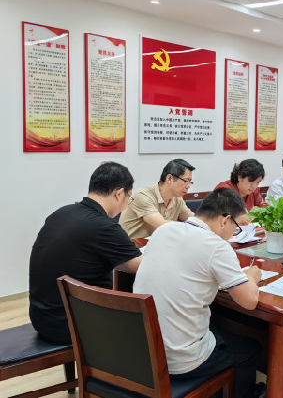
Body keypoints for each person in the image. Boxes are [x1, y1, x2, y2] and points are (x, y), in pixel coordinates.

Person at [133, 188, 264, 398]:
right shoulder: (217, 246)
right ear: (225, 220)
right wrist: (251, 276)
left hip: (143, 350)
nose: (234, 234)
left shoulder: (163, 231)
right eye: (237, 227)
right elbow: (249, 301)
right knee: (250, 349)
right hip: (181, 361)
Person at [29, 162, 143, 344]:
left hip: (41, 317)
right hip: (71, 324)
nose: (126, 204)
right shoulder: (104, 226)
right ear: (119, 193)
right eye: (129, 197)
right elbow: (139, 266)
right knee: (145, 324)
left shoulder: (61, 212)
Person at [119, 159, 195, 239]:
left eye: (190, 182)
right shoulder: (143, 195)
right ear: (169, 178)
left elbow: (193, 219)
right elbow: (162, 225)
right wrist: (189, 225)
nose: (188, 186)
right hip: (133, 244)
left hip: (157, 243)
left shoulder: (177, 198)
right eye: (186, 181)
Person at [215, 159, 267, 225]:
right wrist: (237, 220)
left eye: (257, 182)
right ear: (240, 177)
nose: (253, 186)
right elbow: (215, 218)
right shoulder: (224, 190)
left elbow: (265, 209)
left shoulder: (254, 191)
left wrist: (257, 214)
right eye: (251, 181)